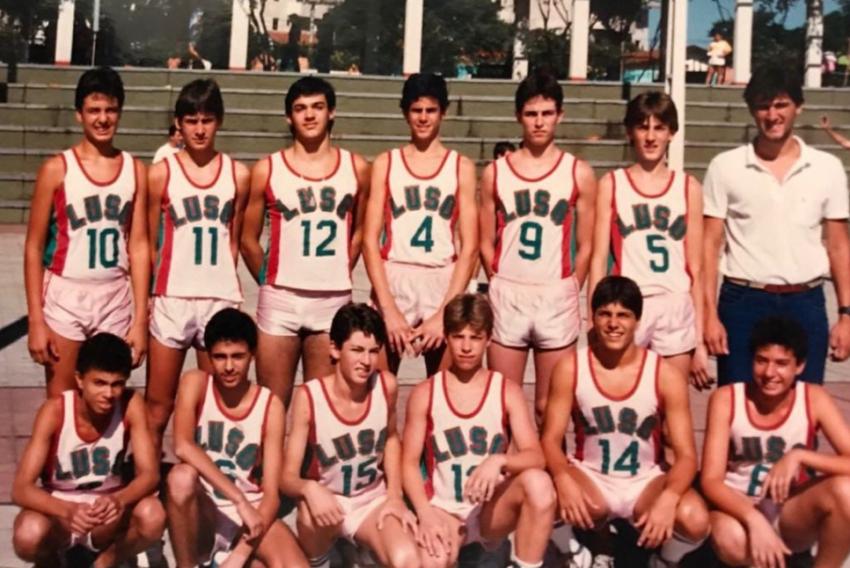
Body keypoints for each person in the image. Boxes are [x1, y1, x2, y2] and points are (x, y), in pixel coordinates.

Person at [541, 276, 709, 568]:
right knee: (543, 496)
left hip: (645, 480)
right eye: (605, 314)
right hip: (592, 476)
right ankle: (574, 553)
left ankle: (664, 561)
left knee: (695, 518)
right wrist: (562, 478)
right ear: (592, 317)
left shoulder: (664, 373)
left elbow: (686, 456)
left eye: (623, 315)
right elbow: (550, 439)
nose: (613, 323)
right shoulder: (571, 368)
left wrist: (669, 497)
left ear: (637, 320)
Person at [703, 66, 850, 385]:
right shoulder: (725, 167)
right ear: (751, 110)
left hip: (805, 301)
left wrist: (846, 315)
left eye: (781, 105)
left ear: (799, 106)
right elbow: (708, 247)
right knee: (737, 403)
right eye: (763, 106)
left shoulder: (827, 168)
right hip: (743, 300)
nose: (772, 115)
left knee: (804, 404)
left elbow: (839, 247)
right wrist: (708, 315)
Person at [241, 76, 370, 406]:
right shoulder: (268, 169)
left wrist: (340, 268)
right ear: (289, 117)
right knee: (271, 406)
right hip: (281, 299)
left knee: (322, 407)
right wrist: (267, 279)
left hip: (332, 300)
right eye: (300, 108)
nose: (309, 115)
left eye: (317, 107)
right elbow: (247, 239)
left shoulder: (356, 167)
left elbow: (360, 232)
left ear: (332, 112)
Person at [402, 293, 556, 568]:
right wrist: (425, 513)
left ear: (488, 339)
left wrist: (499, 461)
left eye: (475, 337)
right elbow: (409, 463)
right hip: (445, 509)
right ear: (446, 337)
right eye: (458, 337)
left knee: (539, 484)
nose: (466, 347)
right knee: (430, 560)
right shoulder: (426, 393)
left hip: (490, 510)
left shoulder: (506, 390)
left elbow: (536, 457)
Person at [479, 68, 596, 423]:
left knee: (550, 407)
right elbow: (485, 241)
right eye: (531, 114)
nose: (539, 122)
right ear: (519, 116)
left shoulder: (578, 172)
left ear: (560, 115)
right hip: (509, 291)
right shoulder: (496, 172)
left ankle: (550, 461)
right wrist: (497, 280)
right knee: (503, 404)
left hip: (555, 294)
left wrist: (572, 285)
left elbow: (586, 244)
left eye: (547, 113)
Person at [24, 66, 149, 398]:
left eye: (110, 110)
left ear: (120, 112)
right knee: (62, 402)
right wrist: (35, 320)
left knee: (108, 398)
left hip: (114, 296)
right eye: (94, 110)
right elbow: (34, 248)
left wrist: (140, 320)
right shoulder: (56, 170)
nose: (103, 119)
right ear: (79, 114)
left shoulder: (135, 170)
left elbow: (138, 247)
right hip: (66, 295)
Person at [145, 79, 249, 453]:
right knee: (159, 404)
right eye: (191, 121)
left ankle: (213, 476)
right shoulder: (160, 173)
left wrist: (228, 290)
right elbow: (147, 242)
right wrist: (149, 296)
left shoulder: (238, 174)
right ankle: (148, 472)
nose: (200, 129)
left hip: (218, 298)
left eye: (207, 120)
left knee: (217, 401)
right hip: (172, 296)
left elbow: (233, 240)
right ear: (179, 124)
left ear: (219, 120)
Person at [701, 316, 850, 568]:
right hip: (741, 505)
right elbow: (711, 480)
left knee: (846, 491)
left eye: (782, 363)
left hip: (791, 509)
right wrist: (753, 519)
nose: (770, 373)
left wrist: (799, 456)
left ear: (799, 366)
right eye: (762, 360)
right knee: (731, 540)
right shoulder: (727, 398)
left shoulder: (813, 398)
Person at [280, 303, 420, 568]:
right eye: (356, 350)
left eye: (373, 351)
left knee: (408, 560)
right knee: (309, 513)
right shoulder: (310, 397)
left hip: (370, 500)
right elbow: (286, 477)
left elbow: (391, 438)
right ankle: (322, 559)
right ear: (335, 349)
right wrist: (309, 488)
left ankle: (361, 547)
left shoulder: (385, 386)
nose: (366, 361)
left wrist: (394, 495)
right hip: (328, 502)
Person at [166, 308, 307, 568]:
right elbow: (183, 445)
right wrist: (237, 498)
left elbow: (271, 496)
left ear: (252, 355)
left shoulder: (269, 405)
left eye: (238, 356)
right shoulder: (196, 383)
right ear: (209, 356)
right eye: (220, 357)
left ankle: (233, 558)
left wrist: (239, 555)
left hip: (251, 511)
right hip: (206, 507)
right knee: (180, 477)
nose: (229, 367)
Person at [12, 333, 165, 568]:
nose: (109, 394)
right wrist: (68, 510)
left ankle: (107, 561)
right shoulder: (55, 411)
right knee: (28, 533)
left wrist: (118, 499)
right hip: (61, 510)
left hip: (106, 508)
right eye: (99, 383)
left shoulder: (130, 404)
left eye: (117, 384)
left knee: (153, 515)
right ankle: (53, 562)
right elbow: (21, 489)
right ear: (80, 379)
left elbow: (149, 475)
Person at [588, 91, 708, 388]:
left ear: (672, 133)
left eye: (659, 128)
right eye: (643, 127)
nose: (651, 137)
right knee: (623, 397)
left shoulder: (688, 187)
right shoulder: (612, 184)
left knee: (672, 403)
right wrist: (593, 320)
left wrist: (700, 340)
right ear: (630, 132)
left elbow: (696, 268)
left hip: (675, 304)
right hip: (628, 305)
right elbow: (599, 259)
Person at [362, 73, 478, 375]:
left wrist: (443, 313)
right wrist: (388, 309)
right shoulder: (386, 163)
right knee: (380, 386)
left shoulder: (461, 167)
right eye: (416, 110)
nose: (423, 118)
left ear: (443, 112)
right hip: (395, 274)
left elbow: (470, 248)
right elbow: (370, 241)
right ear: (405, 113)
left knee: (445, 388)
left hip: (441, 278)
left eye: (431, 110)